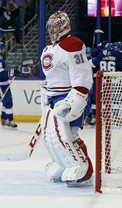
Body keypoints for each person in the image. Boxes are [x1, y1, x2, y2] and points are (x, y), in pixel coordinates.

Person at [39, 11, 93, 186]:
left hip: (68, 95)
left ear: (63, 25)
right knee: (52, 136)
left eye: (55, 25)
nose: (51, 29)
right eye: (50, 26)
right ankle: (63, 164)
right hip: (53, 96)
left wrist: (78, 95)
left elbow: (82, 74)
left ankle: (83, 168)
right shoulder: (49, 46)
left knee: (69, 135)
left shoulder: (73, 44)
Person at [0, 42, 20, 128]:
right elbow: (0, 74)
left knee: (6, 102)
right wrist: (12, 72)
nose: (4, 50)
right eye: (3, 49)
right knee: (8, 102)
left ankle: (4, 119)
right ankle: (10, 120)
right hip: (0, 85)